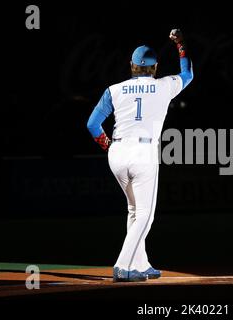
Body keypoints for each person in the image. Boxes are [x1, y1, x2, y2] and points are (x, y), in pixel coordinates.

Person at [87, 29, 193, 282]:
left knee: (133, 210)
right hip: (143, 151)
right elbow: (188, 74)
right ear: (155, 67)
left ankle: (141, 263)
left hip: (118, 151)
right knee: (145, 213)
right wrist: (181, 45)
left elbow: (92, 124)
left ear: (132, 66)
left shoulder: (114, 89)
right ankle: (122, 265)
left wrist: (108, 144)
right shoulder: (164, 85)